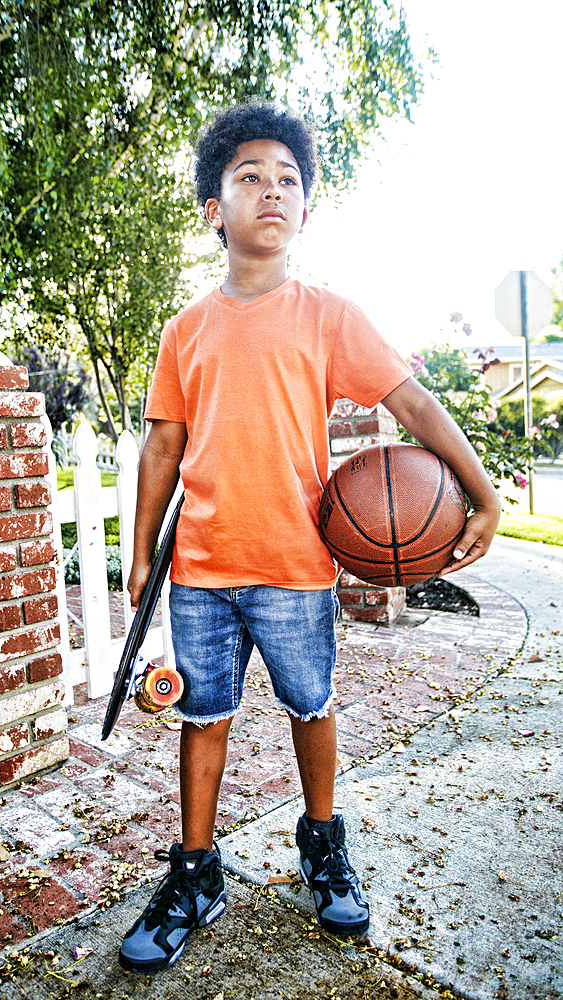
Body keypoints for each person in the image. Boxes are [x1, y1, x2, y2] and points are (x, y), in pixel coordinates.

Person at [118, 101, 501, 974]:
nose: (271, 190)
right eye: (248, 176)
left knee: (310, 709)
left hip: (295, 566)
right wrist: (140, 553)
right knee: (202, 718)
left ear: (303, 209)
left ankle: (321, 842)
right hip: (203, 572)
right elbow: (163, 446)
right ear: (214, 209)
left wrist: (478, 493)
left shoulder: (330, 316)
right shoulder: (185, 330)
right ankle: (195, 871)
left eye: (288, 179)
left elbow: (411, 403)